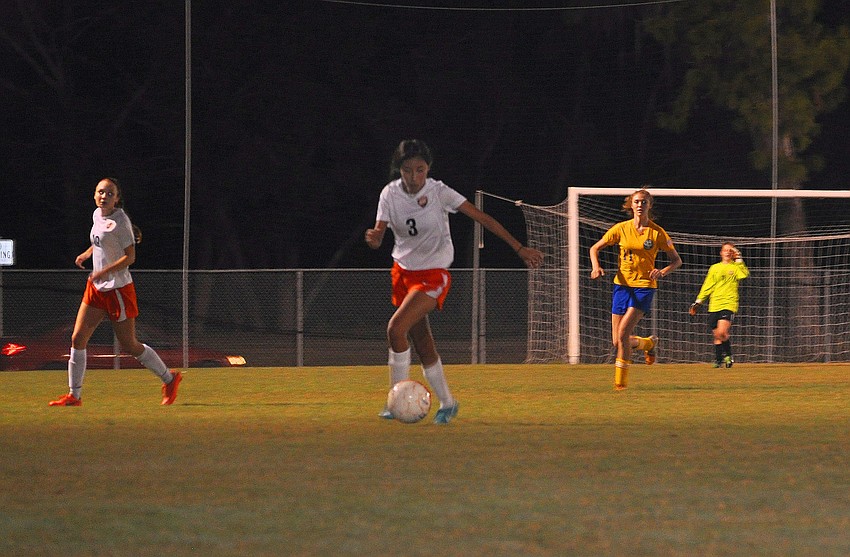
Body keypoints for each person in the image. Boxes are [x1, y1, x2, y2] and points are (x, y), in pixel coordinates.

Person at [365, 139, 544, 423]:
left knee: (395, 329)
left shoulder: (439, 192)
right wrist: (374, 239)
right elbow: (379, 233)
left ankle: (396, 401)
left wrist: (518, 248)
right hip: (402, 272)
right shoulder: (389, 194)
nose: (414, 177)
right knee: (421, 342)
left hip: (433, 273)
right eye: (408, 171)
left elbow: (483, 218)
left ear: (428, 169)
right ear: (399, 170)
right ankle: (448, 403)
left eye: (420, 170)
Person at [49, 178, 182, 406]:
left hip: (118, 290)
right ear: (94, 195)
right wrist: (87, 254)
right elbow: (101, 242)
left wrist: (104, 272)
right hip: (97, 289)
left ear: (117, 199)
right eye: (101, 192)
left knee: (130, 344)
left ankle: (170, 379)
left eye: (110, 194)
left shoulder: (121, 221)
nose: (104, 196)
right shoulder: (96, 215)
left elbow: (130, 257)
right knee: (77, 338)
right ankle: (74, 395)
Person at [589, 188, 682, 390]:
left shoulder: (657, 232)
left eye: (644, 202)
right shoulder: (620, 229)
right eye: (637, 202)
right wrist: (596, 267)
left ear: (650, 205)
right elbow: (594, 248)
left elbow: (677, 261)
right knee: (617, 341)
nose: (640, 205)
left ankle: (620, 384)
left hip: (644, 287)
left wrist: (662, 272)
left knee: (623, 332)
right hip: (621, 286)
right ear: (631, 204)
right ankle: (648, 344)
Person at [689, 242, 749, 367]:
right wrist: (698, 301)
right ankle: (718, 359)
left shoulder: (736, 267)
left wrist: (738, 258)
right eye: (725, 250)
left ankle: (728, 355)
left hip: (728, 303)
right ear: (721, 253)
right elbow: (708, 285)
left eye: (730, 250)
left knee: (722, 332)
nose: (727, 252)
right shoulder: (714, 268)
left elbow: (744, 274)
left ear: (732, 253)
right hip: (714, 304)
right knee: (717, 335)